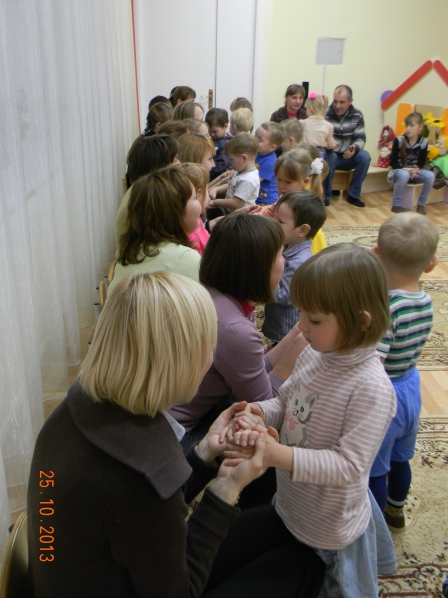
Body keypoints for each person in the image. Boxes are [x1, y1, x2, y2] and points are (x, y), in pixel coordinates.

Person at [28, 271, 325, 597]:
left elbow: (142, 518)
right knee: (304, 566)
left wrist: (203, 453)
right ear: (180, 362)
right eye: (208, 348)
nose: (211, 359)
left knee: (274, 526)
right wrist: (226, 490)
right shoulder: (143, 478)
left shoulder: (76, 406)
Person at [229, 243, 397, 598]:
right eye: (302, 312)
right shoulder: (314, 355)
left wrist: (278, 456)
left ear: (361, 322)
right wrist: (260, 411)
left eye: (315, 320)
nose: (301, 326)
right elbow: (286, 402)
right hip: (293, 504)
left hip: (329, 529)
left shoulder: (370, 388)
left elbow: (349, 466)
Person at [170, 213, 308, 451]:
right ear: (258, 267)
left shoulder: (215, 297)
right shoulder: (234, 330)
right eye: (279, 254)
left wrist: (297, 331)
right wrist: (294, 353)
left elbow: (251, 371)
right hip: (176, 434)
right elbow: (264, 404)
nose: (285, 262)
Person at [369, 213, 439, 531]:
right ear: (431, 264)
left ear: (376, 254)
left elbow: (374, 365)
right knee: (400, 458)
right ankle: (396, 512)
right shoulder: (425, 300)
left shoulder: (386, 308)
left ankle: (375, 527)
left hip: (387, 395)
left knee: (376, 467)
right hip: (411, 386)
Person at [110, 166, 202, 294]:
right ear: (175, 212)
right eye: (195, 198)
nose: (200, 200)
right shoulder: (186, 259)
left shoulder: (129, 255)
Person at [262, 191, 327, 343]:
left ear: (302, 230)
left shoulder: (299, 263)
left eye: (280, 221)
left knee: (282, 352)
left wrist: (269, 280)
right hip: (276, 320)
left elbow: (285, 297)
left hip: (285, 328)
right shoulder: (286, 245)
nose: (273, 223)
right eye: (274, 217)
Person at [258, 145, 329, 255]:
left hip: (303, 243)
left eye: (288, 182)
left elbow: (273, 211)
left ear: (305, 181)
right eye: (279, 179)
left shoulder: (301, 201)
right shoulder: (290, 194)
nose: (281, 185)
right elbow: (272, 209)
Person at [116, 134, 180, 253]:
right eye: (175, 159)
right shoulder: (149, 199)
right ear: (160, 166)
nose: (180, 164)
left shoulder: (141, 191)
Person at [323, 85, 371, 208]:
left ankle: (353, 195)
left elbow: (360, 139)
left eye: (342, 102)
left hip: (348, 156)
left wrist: (354, 148)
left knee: (365, 157)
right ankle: (326, 196)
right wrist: (330, 145)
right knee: (329, 156)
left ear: (350, 101)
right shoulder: (325, 114)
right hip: (331, 154)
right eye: (335, 101)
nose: (337, 105)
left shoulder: (357, 115)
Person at [387, 112, 435, 215]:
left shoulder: (423, 142)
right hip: (399, 171)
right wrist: (406, 170)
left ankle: (421, 205)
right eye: (406, 126)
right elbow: (393, 163)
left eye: (412, 125)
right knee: (404, 175)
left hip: (414, 172)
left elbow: (421, 162)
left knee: (430, 176)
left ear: (420, 127)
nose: (408, 129)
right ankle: (396, 205)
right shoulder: (398, 140)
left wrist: (415, 170)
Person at [208, 133, 260, 212]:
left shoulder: (248, 179)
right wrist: (216, 189)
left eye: (231, 159)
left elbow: (235, 203)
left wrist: (215, 202)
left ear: (244, 158)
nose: (230, 163)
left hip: (239, 216)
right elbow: (232, 185)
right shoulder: (242, 171)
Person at [180, 162, 211, 255]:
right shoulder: (190, 234)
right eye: (207, 189)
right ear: (198, 194)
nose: (209, 194)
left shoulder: (198, 221)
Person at [254, 122, 285, 205]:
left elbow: (253, 181)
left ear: (272, 147)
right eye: (255, 135)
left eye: (259, 140)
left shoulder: (270, 162)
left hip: (265, 201)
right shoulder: (257, 154)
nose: (254, 140)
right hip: (256, 197)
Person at [301, 92, 337, 160]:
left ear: (310, 110)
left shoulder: (303, 123)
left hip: (305, 152)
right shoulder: (328, 126)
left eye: (306, 109)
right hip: (320, 154)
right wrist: (334, 144)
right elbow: (330, 145)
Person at [205, 108, 232, 180]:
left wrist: (208, 173)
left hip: (220, 179)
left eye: (215, 131)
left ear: (225, 126)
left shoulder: (227, 144)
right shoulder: (213, 140)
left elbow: (221, 164)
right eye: (210, 131)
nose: (212, 134)